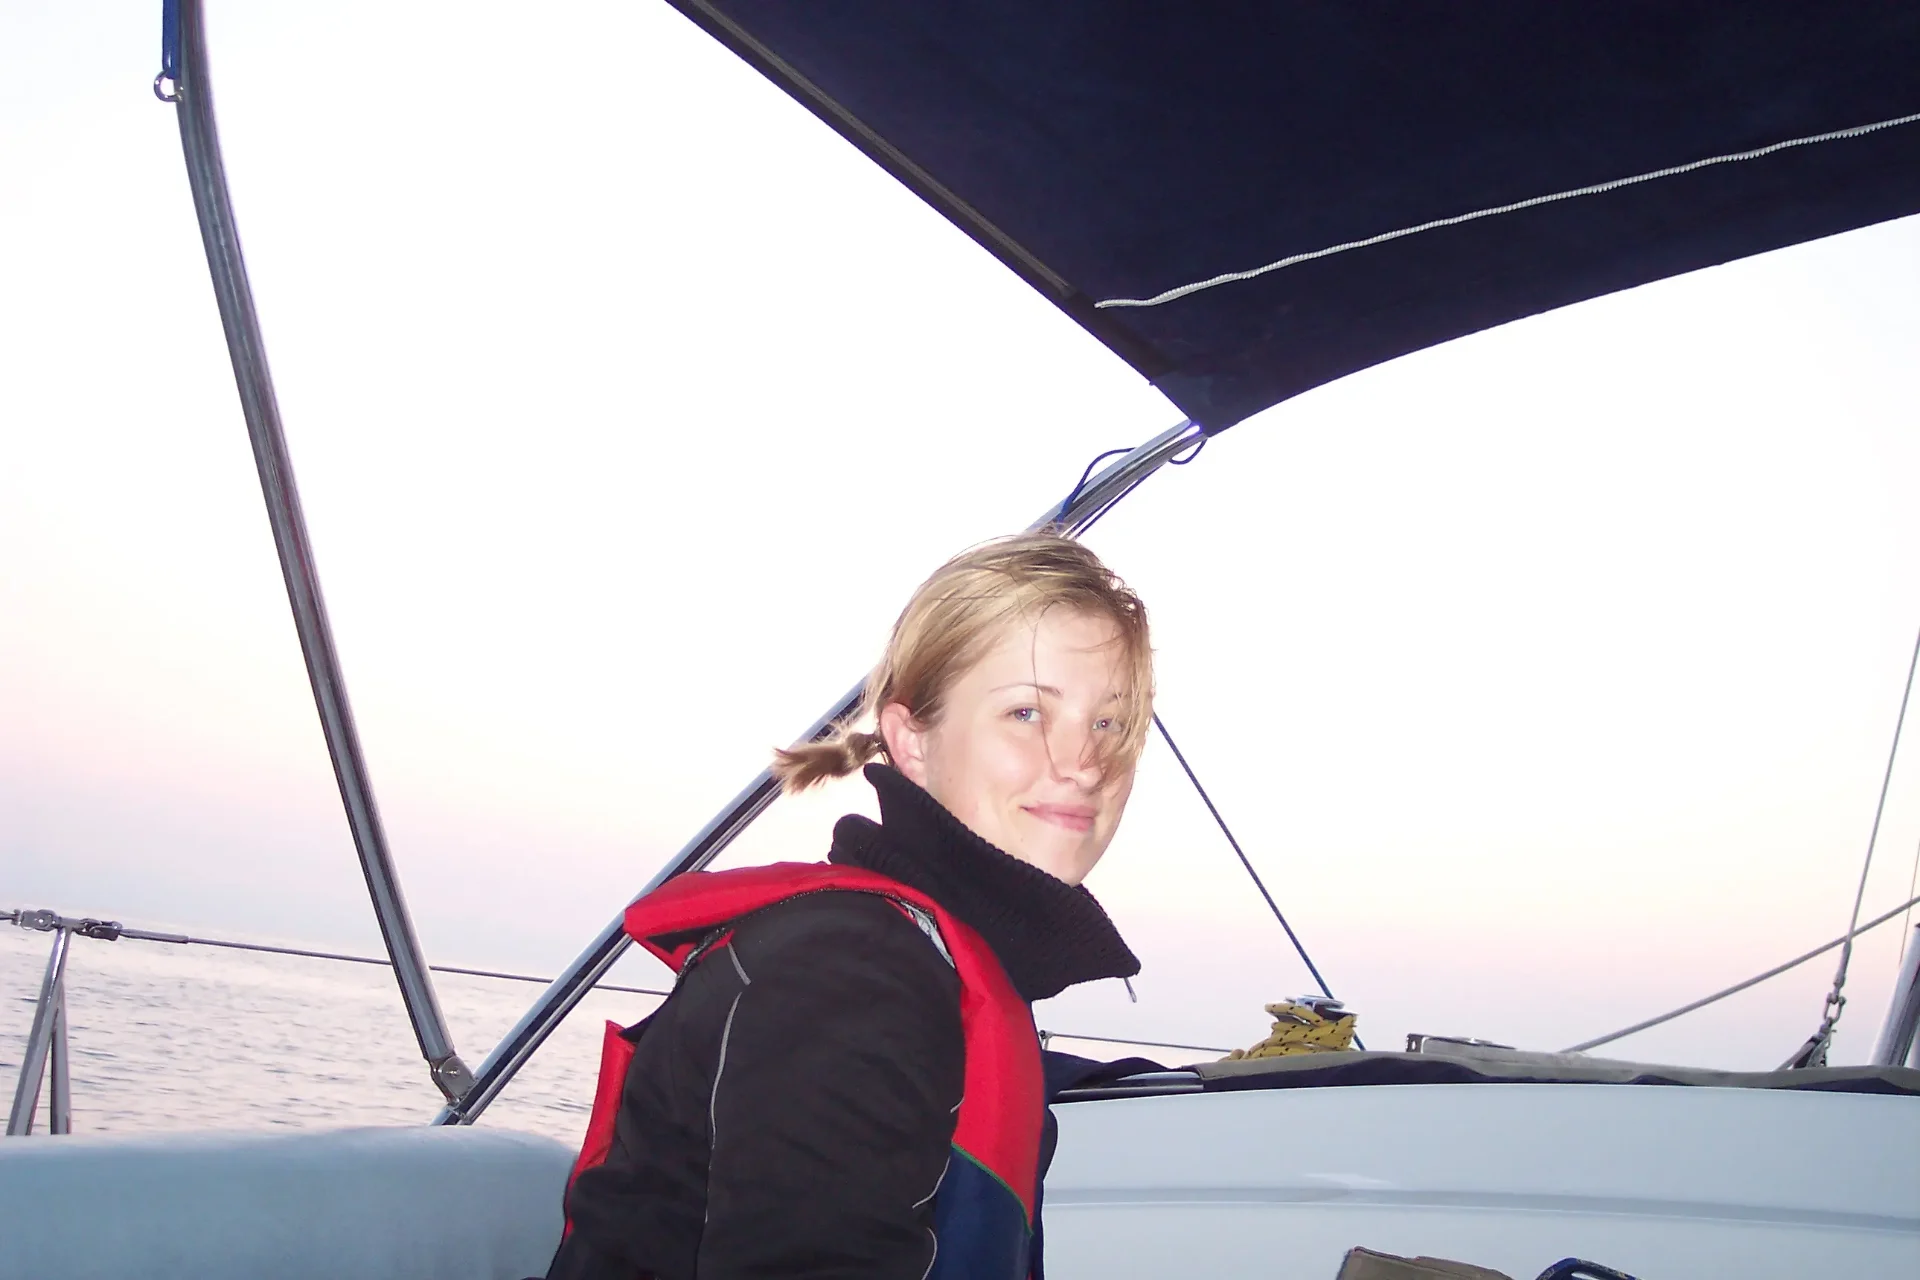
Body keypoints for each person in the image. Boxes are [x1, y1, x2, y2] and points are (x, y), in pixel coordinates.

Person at [547, 531, 1152, 1280]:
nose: (1083, 763)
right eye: (1027, 714)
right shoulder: (846, 974)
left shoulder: (937, 963)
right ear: (913, 742)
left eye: (1109, 722)